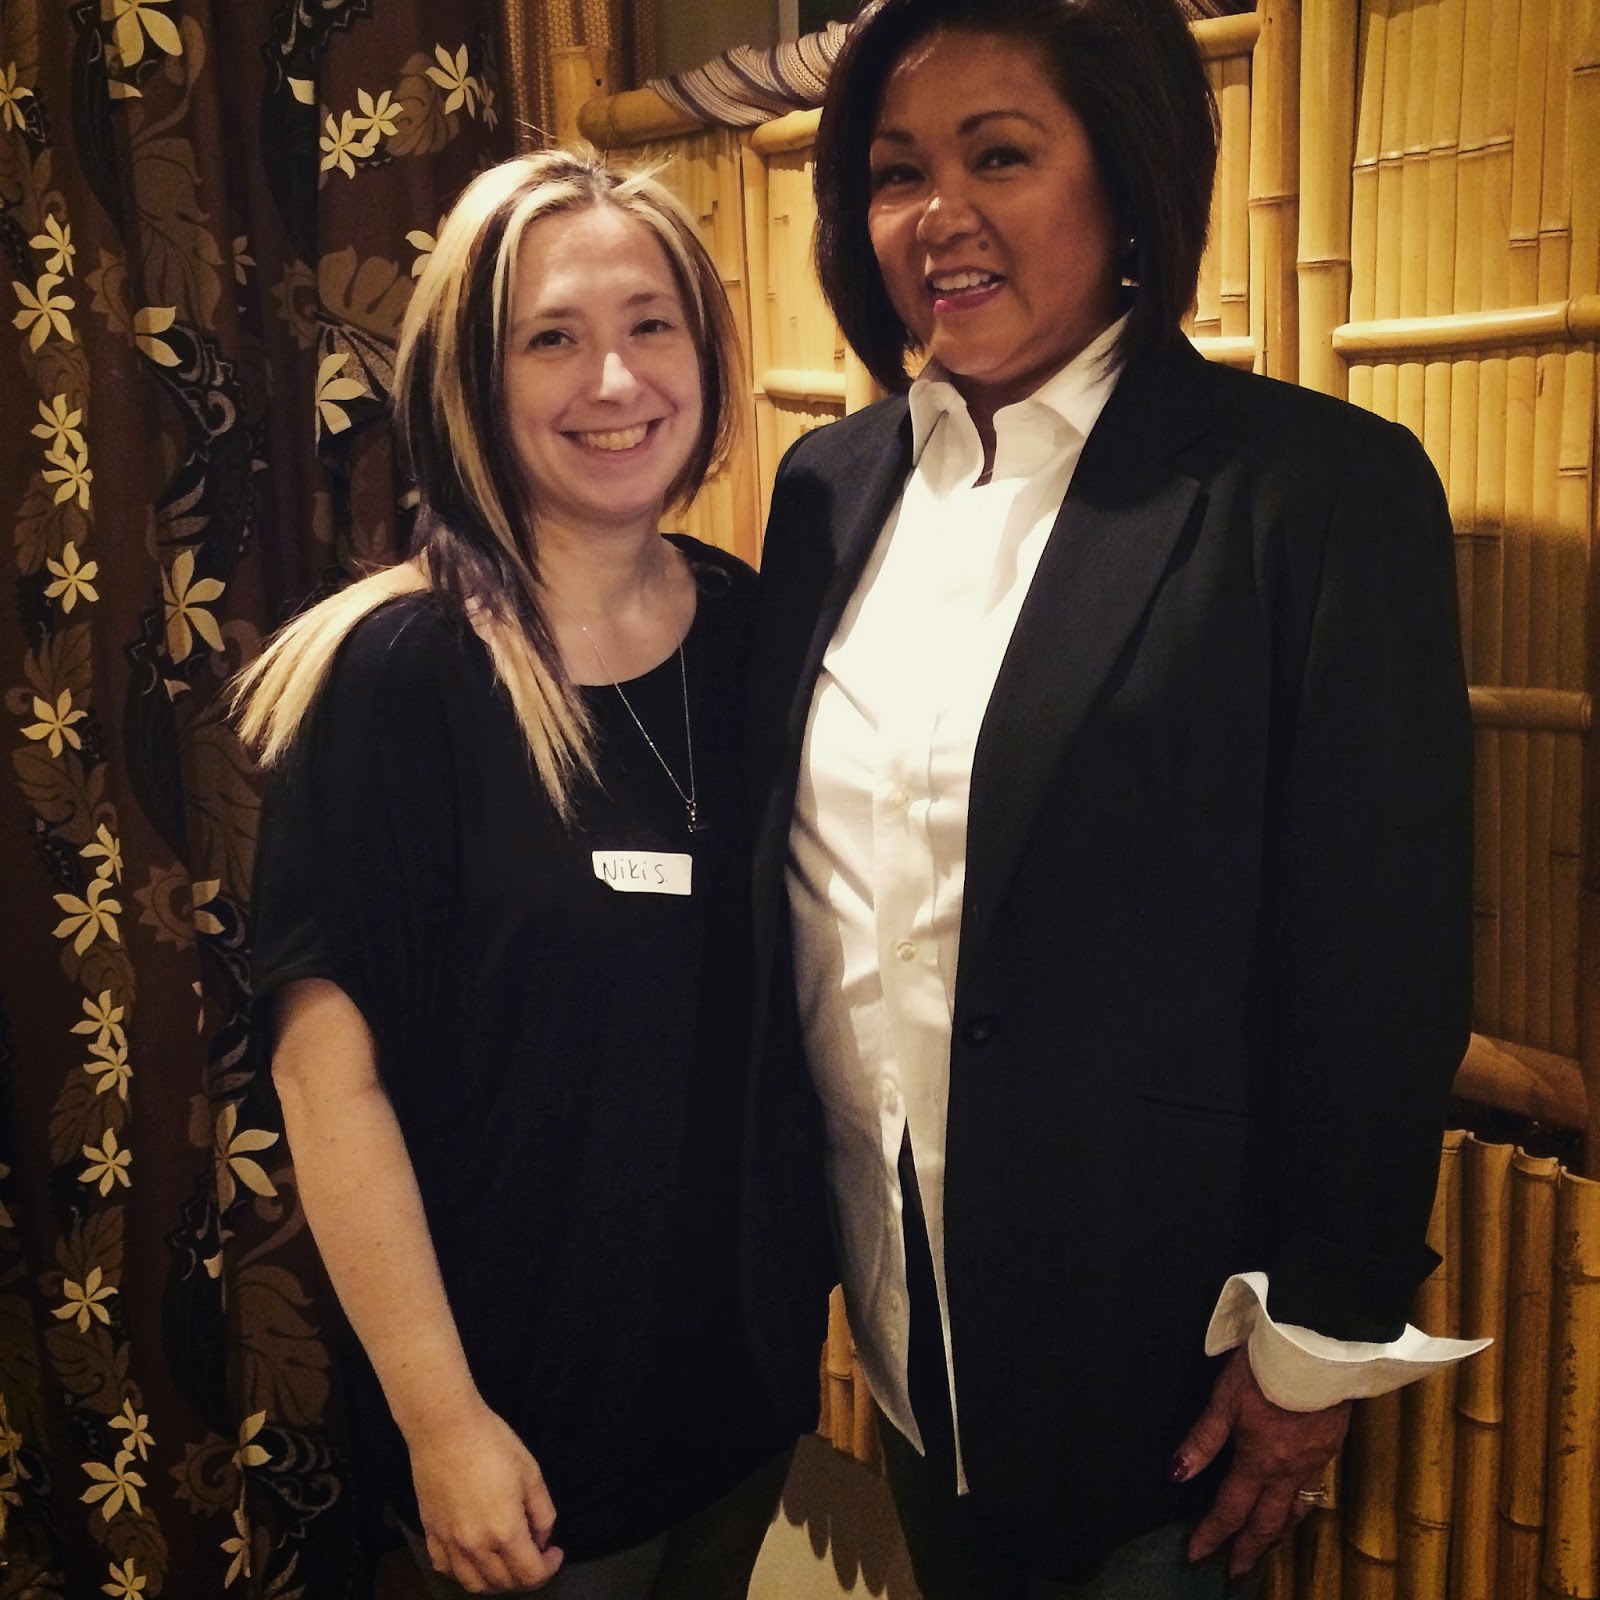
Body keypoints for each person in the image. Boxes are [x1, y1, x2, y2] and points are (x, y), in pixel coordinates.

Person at [740, 1, 1485, 1595]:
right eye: (895, 171)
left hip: (1162, 1352)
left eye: (1000, 155)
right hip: (896, 1314)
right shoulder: (828, 490)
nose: (937, 215)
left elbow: (1382, 951)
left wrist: (1319, 1337)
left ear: (1130, 179)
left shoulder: (1313, 494)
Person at [235, 148, 800, 1599]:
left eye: (650, 323)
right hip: (518, 1441)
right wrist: (443, 1424)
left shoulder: (758, 634)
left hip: (737, 1400)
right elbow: (326, 1085)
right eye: (551, 337)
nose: (615, 379)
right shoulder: (393, 676)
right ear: (469, 387)